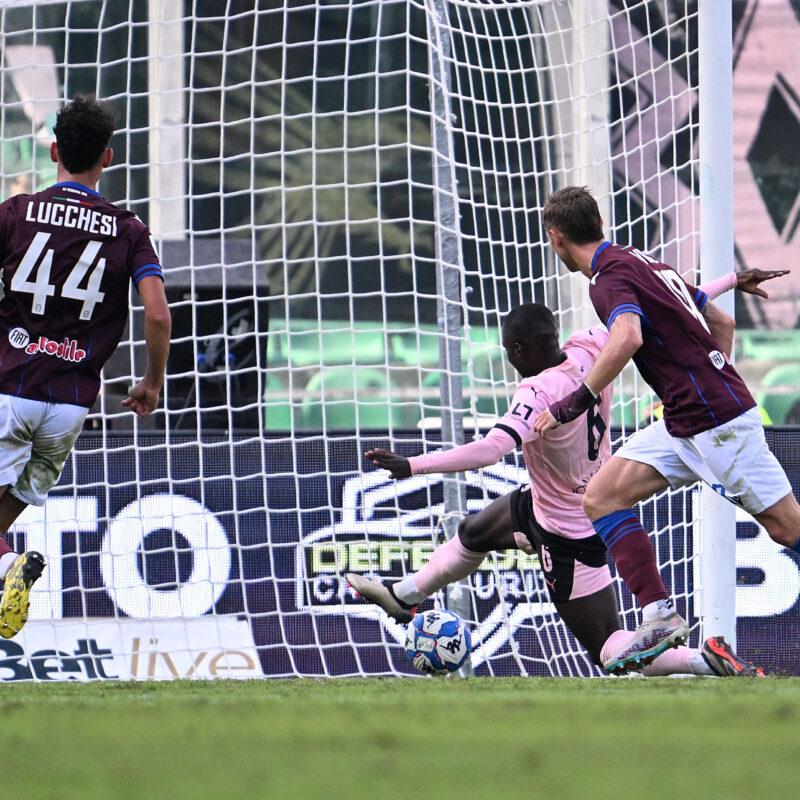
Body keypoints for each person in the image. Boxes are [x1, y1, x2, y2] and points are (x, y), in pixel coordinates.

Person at [347, 274, 781, 677]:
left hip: (567, 532)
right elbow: (667, 304)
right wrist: (730, 281)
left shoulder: (537, 392)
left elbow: (490, 450)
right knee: (474, 532)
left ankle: (702, 659)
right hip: (553, 502)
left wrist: (413, 465)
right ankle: (404, 596)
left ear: (518, 350)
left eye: (507, 351)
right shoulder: (591, 347)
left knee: (609, 652)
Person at [533, 185, 800, 675]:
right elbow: (715, 316)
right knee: (601, 496)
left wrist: (577, 400)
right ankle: (659, 615)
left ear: (556, 238)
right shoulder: (642, 260)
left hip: (717, 424)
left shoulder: (605, 280)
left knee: (788, 529)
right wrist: (699, 376)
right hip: (686, 420)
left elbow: (628, 335)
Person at [0, 94, 171, 638]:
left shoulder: (16, 212)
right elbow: (159, 315)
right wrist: (151, 380)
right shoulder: (128, 228)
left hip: (11, 386)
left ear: (53, 150)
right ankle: (5, 572)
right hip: (72, 407)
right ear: (109, 157)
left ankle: (8, 567)